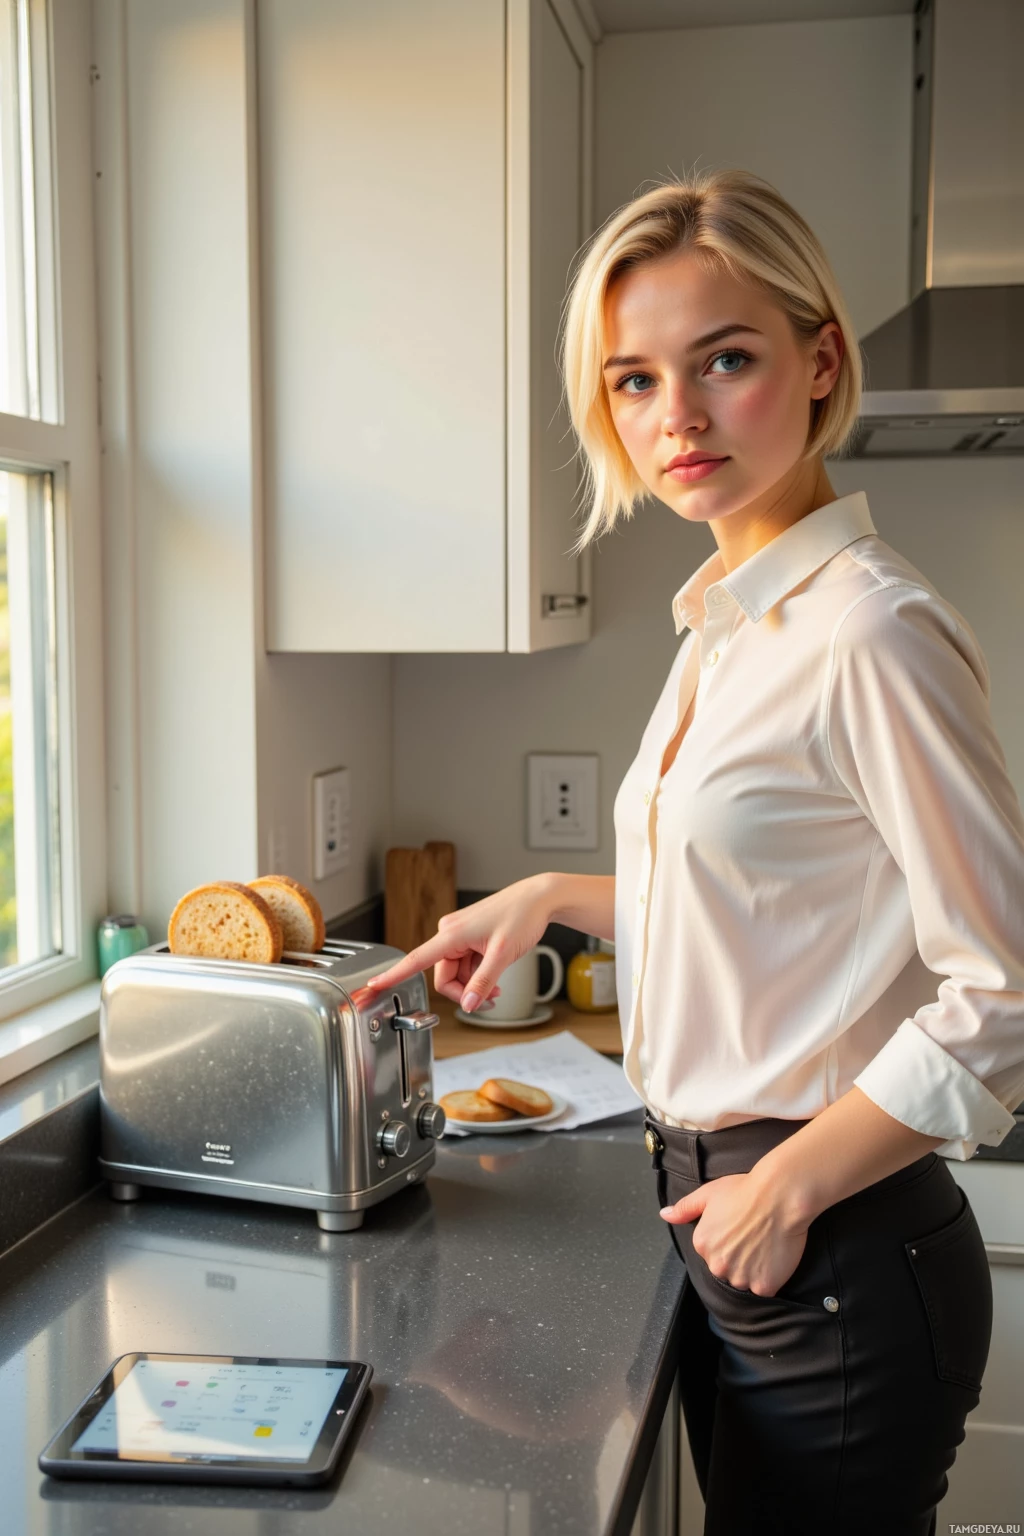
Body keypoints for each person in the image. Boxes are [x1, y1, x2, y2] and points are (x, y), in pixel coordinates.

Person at [363, 170, 1024, 1534]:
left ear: (820, 358)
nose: (680, 418)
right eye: (635, 381)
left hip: (827, 1238)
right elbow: (788, 895)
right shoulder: (729, 621)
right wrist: (551, 896)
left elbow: (1007, 986)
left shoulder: (867, 633)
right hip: (741, 1222)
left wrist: (778, 1187)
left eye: (725, 359)